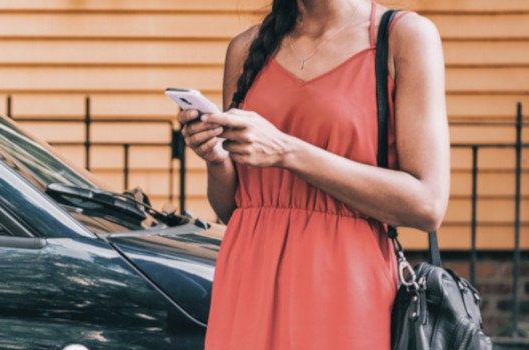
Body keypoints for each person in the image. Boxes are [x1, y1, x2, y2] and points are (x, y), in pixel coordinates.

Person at [176, 0, 449, 348]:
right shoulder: (246, 48)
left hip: (344, 286)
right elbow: (232, 209)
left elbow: (428, 204)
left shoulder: (402, 37)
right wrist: (216, 158)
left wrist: (288, 151)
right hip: (249, 277)